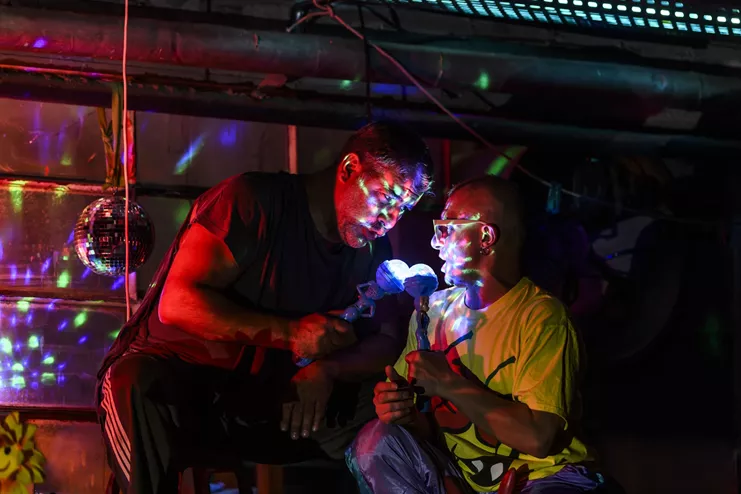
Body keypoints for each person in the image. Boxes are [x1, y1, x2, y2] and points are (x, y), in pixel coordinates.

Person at [97, 122, 434, 493]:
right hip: (180, 389)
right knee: (136, 383)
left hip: (268, 402)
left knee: (392, 403)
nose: (390, 220)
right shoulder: (253, 200)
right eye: (385, 198)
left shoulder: (373, 250)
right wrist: (291, 334)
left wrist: (329, 369)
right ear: (349, 168)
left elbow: (387, 341)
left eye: (403, 209)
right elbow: (177, 303)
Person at [346, 175, 609, 493]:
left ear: (485, 236)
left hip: (545, 478)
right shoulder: (432, 311)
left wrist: (449, 383)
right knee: (376, 442)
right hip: (465, 480)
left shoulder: (541, 318)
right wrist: (400, 410)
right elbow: (429, 426)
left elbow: (538, 438)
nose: (436, 243)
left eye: (446, 229)